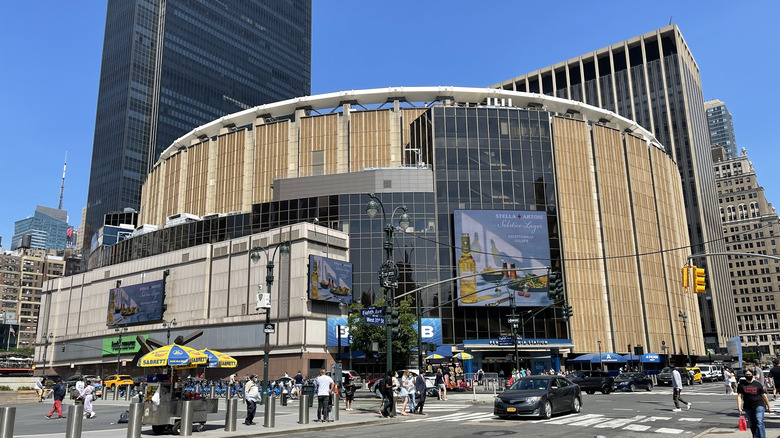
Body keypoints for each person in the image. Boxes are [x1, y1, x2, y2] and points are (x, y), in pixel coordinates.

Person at [738, 369, 771, 438]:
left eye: (749, 374)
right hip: (748, 407)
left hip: (759, 405)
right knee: (752, 424)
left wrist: (768, 406)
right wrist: (739, 408)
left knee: (759, 421)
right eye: (746, 375)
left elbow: (764, 395)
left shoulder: (757, 384)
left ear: (752, 374)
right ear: (744, 375)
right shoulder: (741, 385)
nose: (748, 376)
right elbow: (739, 396)